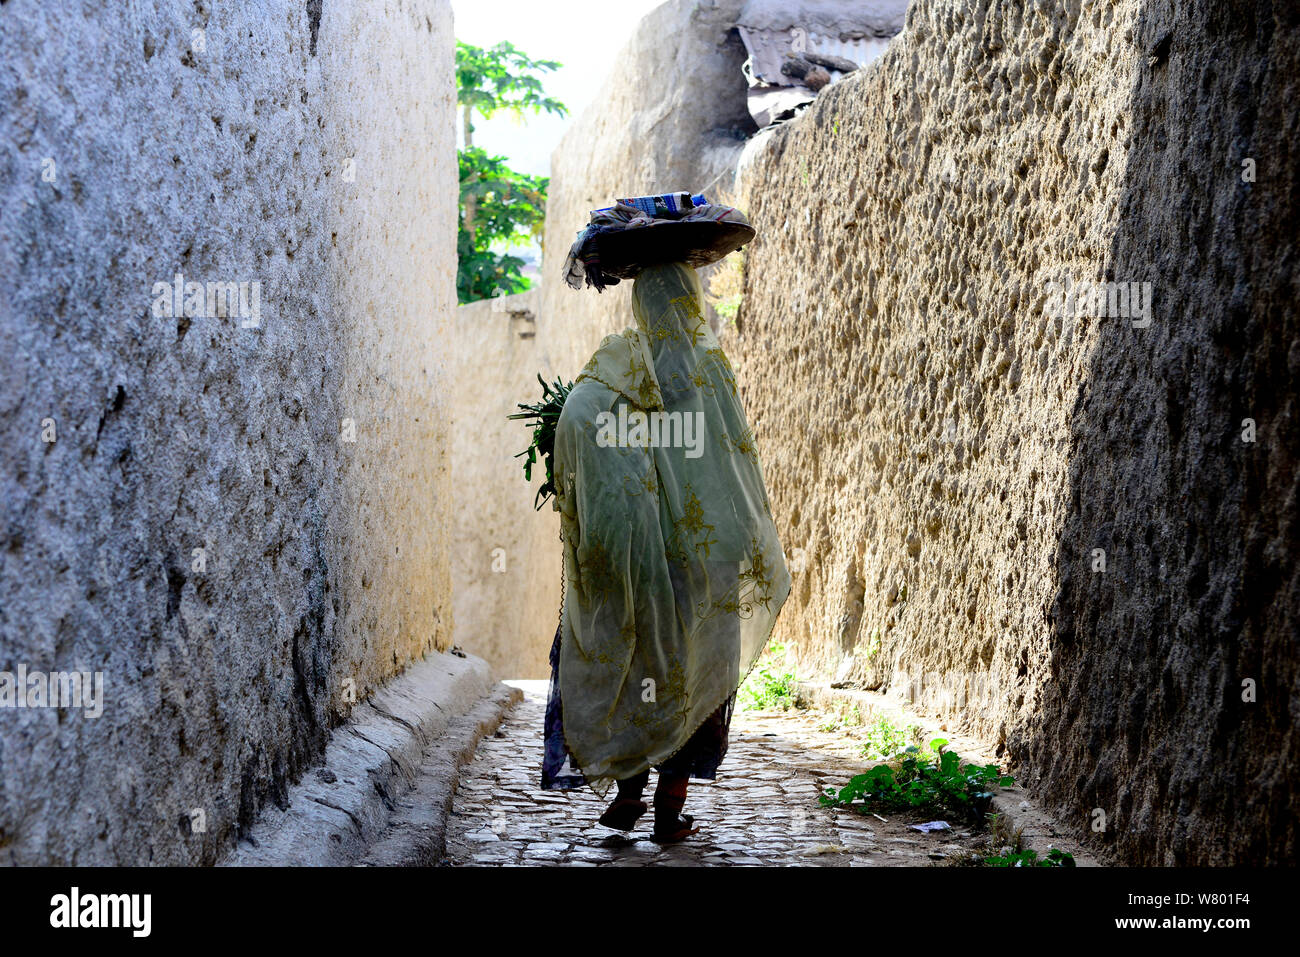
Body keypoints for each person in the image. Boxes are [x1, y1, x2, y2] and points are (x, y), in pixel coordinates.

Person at [540, 252, 791, 843]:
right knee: (695, 674)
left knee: (639, 667)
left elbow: (578, 432)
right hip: (702, 561)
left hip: (639, 566)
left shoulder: (615, 366)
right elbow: (733, 463)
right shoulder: (706, 369)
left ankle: (627, 794)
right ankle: (668, 809)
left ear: (639, 303)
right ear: (689, 299)